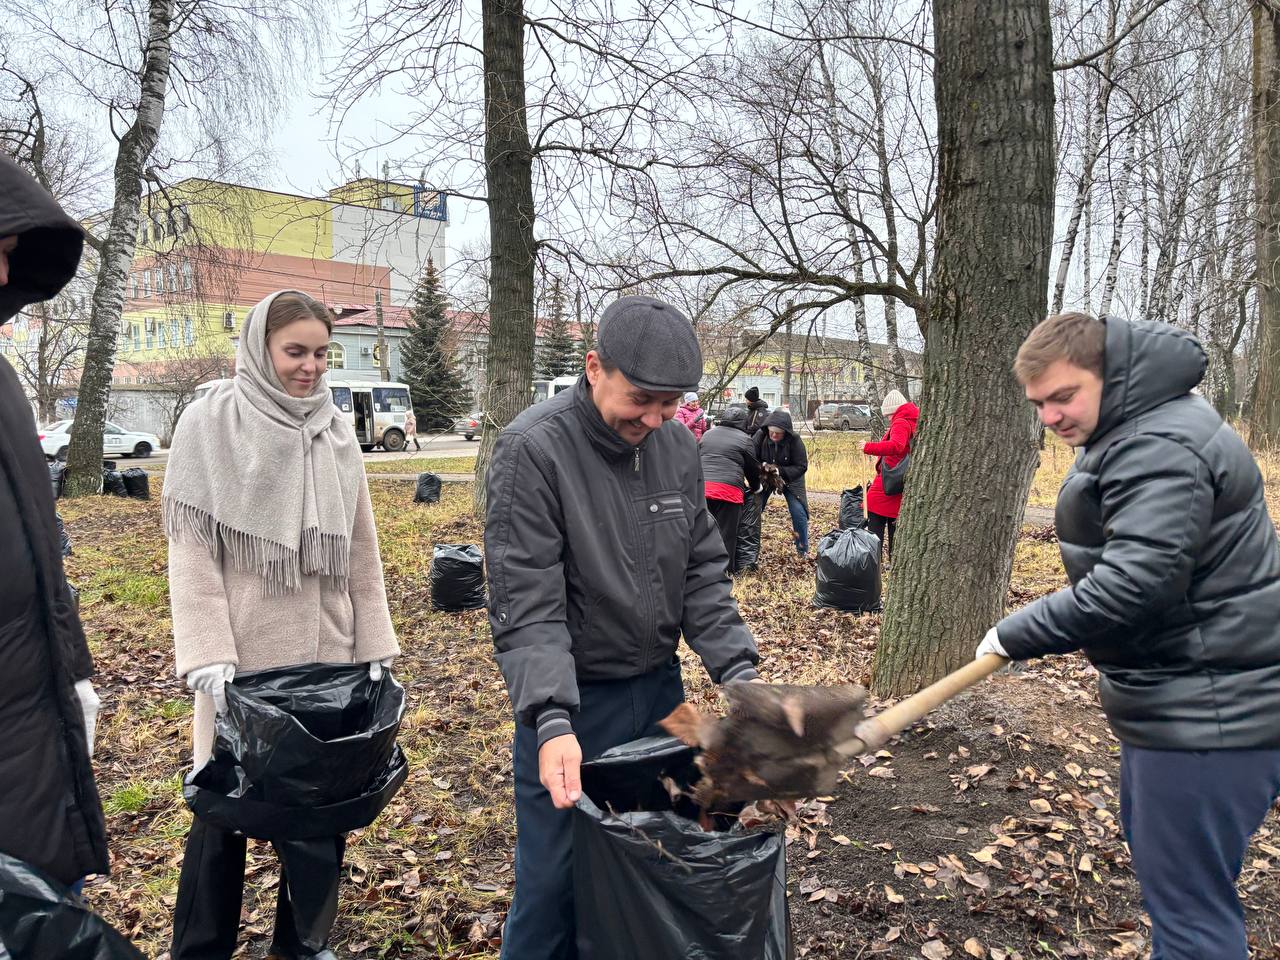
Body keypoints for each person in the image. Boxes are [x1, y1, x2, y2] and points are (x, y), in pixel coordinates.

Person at [976, 312, 1280, 960]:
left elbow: (1135, 584)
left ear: (1112, 375)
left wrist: (1014, 634)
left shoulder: (1158, 445)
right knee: (1181, 899)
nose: (1051, 417)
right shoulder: (1146, 429)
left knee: (1191, 917)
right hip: (1186, 703)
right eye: (1039, 404)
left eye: (1065, 396)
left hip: (1210, 715)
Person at [485, 294, 764, 960]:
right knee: (554, 883)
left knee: (661, 859)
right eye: (641, 398)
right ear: (592, 368)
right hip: (575, 702)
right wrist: (551, 720)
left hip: (662, 695)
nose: (655, 417)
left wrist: (740, 674)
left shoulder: (674, 446)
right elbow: (528, 603)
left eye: (670, 403)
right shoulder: (533, 451)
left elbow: (701, 571)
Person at [164, 289, 400, 960]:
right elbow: (191, 547)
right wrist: (207, 650)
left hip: (327, 661)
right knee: (221, 818)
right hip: (241, 667)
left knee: (317, 820)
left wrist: (373, 643)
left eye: (322, 352)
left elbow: (359, 542)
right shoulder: (208, 423)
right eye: (295, 351)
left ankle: (302, 948)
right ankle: (200, 949)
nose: (311, 366)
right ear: (260, 349)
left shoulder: (333, 428)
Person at [0, 153, 109, 894]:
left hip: (29, 745)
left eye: (11, 258)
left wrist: (72, 672)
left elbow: (42, 555)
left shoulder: (2, 383)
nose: (7, 278)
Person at [698, 405, 762, 572]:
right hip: (728, 492)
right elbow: (752, 468)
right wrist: (756, 487)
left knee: (702, 531)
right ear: (743, 422)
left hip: (702, 489)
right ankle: (723, 571)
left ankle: (700, 567)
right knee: (726, 533)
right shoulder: (744, 439)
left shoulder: (708, 434)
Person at [861, 389, 920, 561]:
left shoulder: (901, 421)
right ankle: (894, 562)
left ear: (895, 410)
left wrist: (868, 447)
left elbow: (896, 446)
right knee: (894, 523)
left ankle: (873, 562)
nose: (888, 419)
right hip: (899, 481)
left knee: (874, 516)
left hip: (890, 480)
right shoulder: (913, 419)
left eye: (888, 415)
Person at [754, 410, 810, 556]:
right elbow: (750, 457)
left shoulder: (795, 440)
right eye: (771, 432)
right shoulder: (761, 436)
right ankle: (750, 547)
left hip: (791, 478)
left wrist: (781, 471)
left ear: (785, 432)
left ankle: (802, 550)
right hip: (765, 476)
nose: (773, 435)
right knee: (753, 508)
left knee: (799, 512)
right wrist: (763, 466)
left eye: (778, 433)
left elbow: (802, 466)